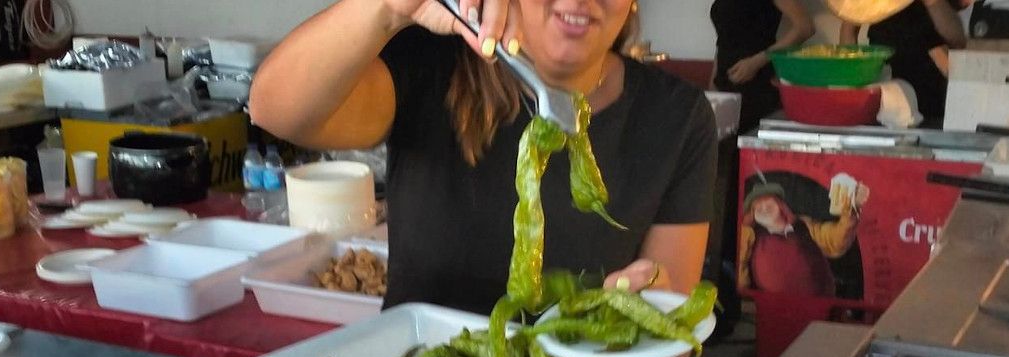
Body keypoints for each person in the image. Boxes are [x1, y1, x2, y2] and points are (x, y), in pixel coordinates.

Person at [249, 0, 717, 315]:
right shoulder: (428, 62)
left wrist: (652, 293)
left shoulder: (678, 115)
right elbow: (276, 109)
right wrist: (389, 8)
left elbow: (670, 294)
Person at [737, 179, 869, 297]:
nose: (764, 209)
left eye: (769, 205)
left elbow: (836, 241)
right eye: (758, 208)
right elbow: (740, 273)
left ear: (781, 206)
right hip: (773, 310)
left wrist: (851, 209)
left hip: (820, 306)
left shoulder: (804, 226)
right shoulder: (751, 237)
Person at [839, 0, 966, 121]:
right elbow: (848, 31)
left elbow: (957, 38)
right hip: (886, 98)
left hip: (933, 97)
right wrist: (855, 86)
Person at [709, 0, 814, 133]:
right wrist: (713, 87)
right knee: (722, 148)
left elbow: (805, 27)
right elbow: (724, 39)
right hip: (725, 86)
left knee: (749, 143)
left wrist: (756, 62)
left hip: (757, 84)